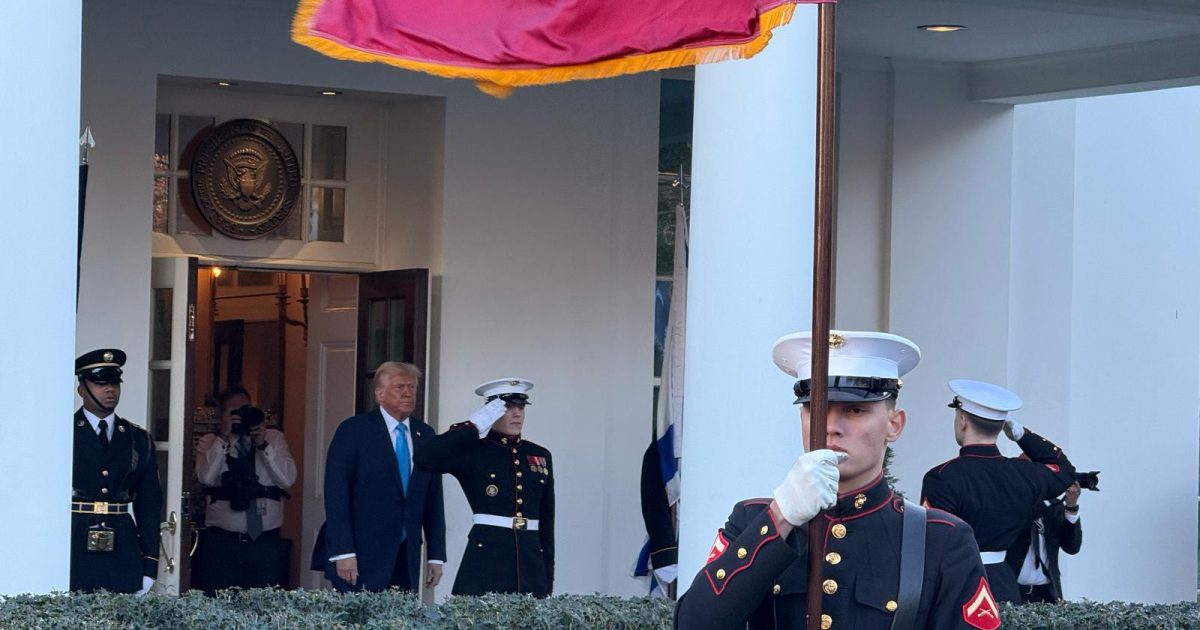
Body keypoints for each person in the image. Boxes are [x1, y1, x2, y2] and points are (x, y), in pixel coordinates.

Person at [676, 331, 999, 630]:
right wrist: (780, 517)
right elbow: (694, 624)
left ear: (894, 425)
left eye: (855, 410)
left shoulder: (941, 540)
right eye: (814, 409)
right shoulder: (753, 521)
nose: (831, 427)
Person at [920, 379, 1076, 606]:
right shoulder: (1023, 474)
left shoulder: (943, 476)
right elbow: (1064, 469)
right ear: (1000, 427)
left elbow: (934, 544)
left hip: (958, 584)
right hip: (1004, 584)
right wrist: (1021, 434)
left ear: (962, 421)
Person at [413, 378, 555, 597]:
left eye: (521, 407)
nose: (517, 414)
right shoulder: (473, 451)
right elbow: (425, 458)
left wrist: (547, 577)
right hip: (487, 560)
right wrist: (473, 426)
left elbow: (546, 522)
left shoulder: (539, 455)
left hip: (530, 564)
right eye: (508, 407)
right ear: (492, 412)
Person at [317, 362, 447, 592]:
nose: (408, 393)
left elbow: (433, 498)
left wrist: (435, 556)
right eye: (399, 387)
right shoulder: (354, 431)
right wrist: (344, 551)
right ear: (380, 394)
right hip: (360, 553)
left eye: (412, 387)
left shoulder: (425, 434)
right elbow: (336, 494)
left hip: (405, 555)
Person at [70, 348, 163, 594]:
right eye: (100, 383)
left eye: (114, 383)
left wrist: (150, 562)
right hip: (74, 543)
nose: (110, 390)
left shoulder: (137, 438)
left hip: (122, 545)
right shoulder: (63, 433)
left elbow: (149, 503)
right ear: (82, 389)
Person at [192, 385, 297, 594]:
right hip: (223, 543)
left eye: (246, 408)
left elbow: (287, 480)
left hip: (265, 542)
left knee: (265, 608)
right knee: (220, 606)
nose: (241, 415)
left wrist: (262, 444)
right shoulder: (211, 442)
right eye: (233, 411)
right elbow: (205, 477)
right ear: (222, 415)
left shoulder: (273, 438)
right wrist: (224, 439)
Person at [1004, 480, 1085, 604]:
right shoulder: (1010, 505)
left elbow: (1072, 547)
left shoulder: (1054, 506)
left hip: (1046, 592)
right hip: (1014, 591)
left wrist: (1071, 506)